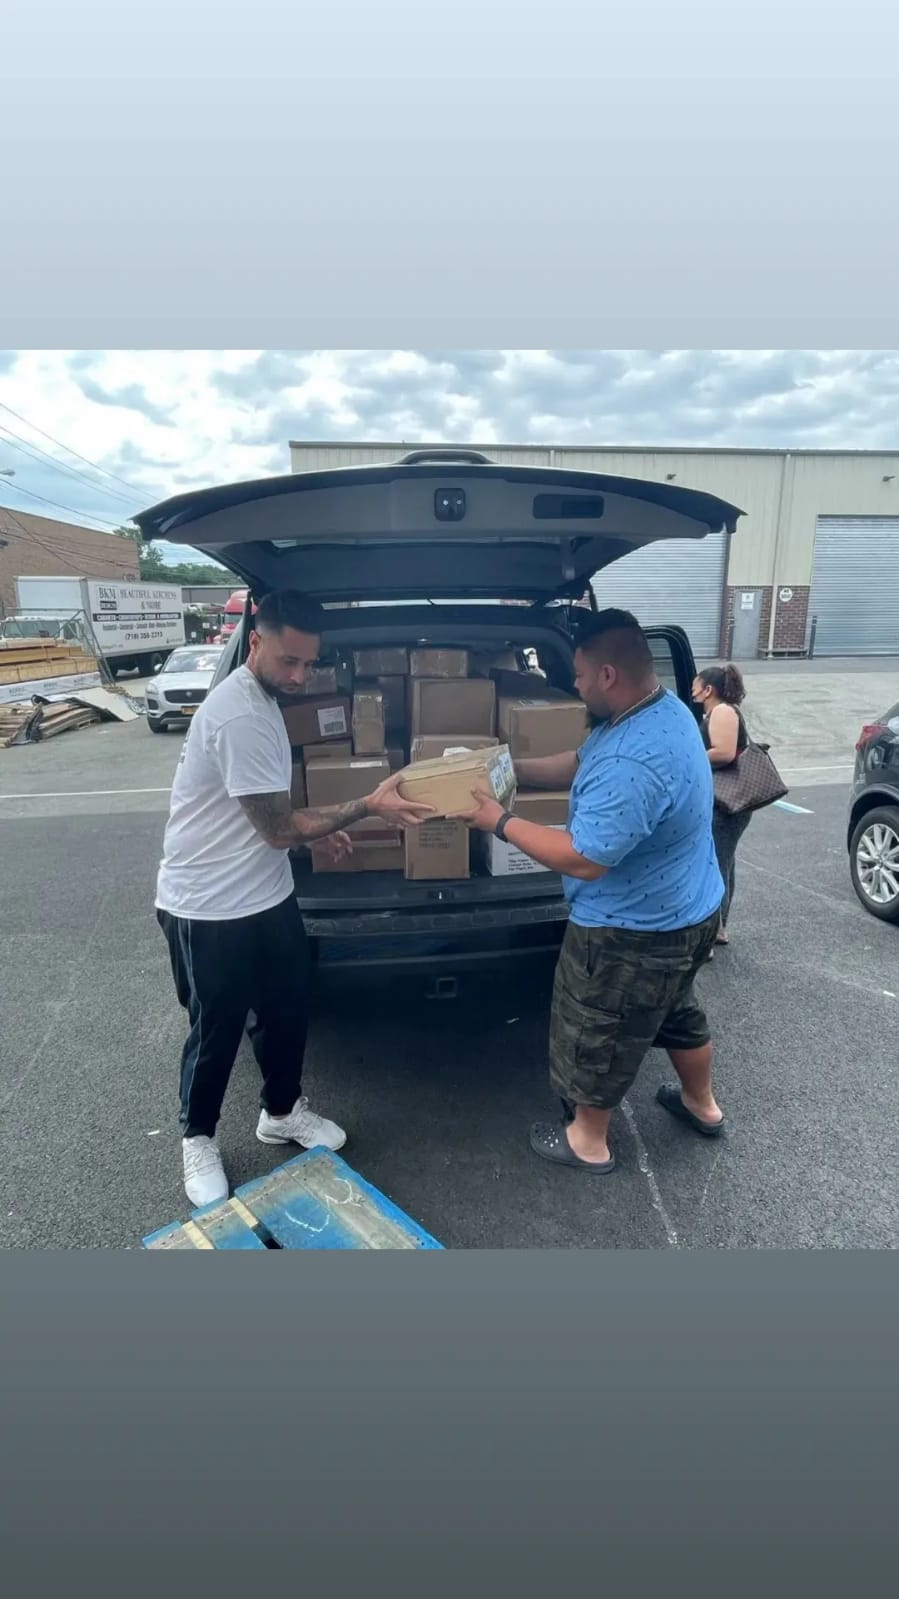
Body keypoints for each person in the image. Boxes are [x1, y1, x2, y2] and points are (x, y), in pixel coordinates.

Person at [155, 588, 433, 1207]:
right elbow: (278, 828)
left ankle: (280, 1112)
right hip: (209, 904)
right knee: (217, 1027)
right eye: (290, 661)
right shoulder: (238, 714)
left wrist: (312, 835)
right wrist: (365, 806)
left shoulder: (266, 699)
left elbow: (272, 816)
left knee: (286, 1008)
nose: (301, 676)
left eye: (310, 663)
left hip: (267, 893)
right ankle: (197, 1136)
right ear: (255, 642)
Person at [455, 608, 726, 1173]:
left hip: (633, 932)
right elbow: (580, 761)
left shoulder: (633, 759)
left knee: (598, 1030)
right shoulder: (663, 711)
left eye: (578, 675)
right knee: (676, 1011)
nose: (574, 686)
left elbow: (583, 859)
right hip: (691, 910)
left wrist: (497, 821)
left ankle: (587, 1140)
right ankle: (702, 1106)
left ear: (607, 675)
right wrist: (509, 768)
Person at [692, 663, 750, 949]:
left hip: (726, 802)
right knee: (724, 862)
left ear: (708, 690)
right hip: (725, 801)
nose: (692, 690)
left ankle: (715, 929)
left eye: (695, 686)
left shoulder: (723, 711)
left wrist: (690, 756)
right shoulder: (718, 711)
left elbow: (724, 753)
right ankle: (719, 925)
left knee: (716, 863)